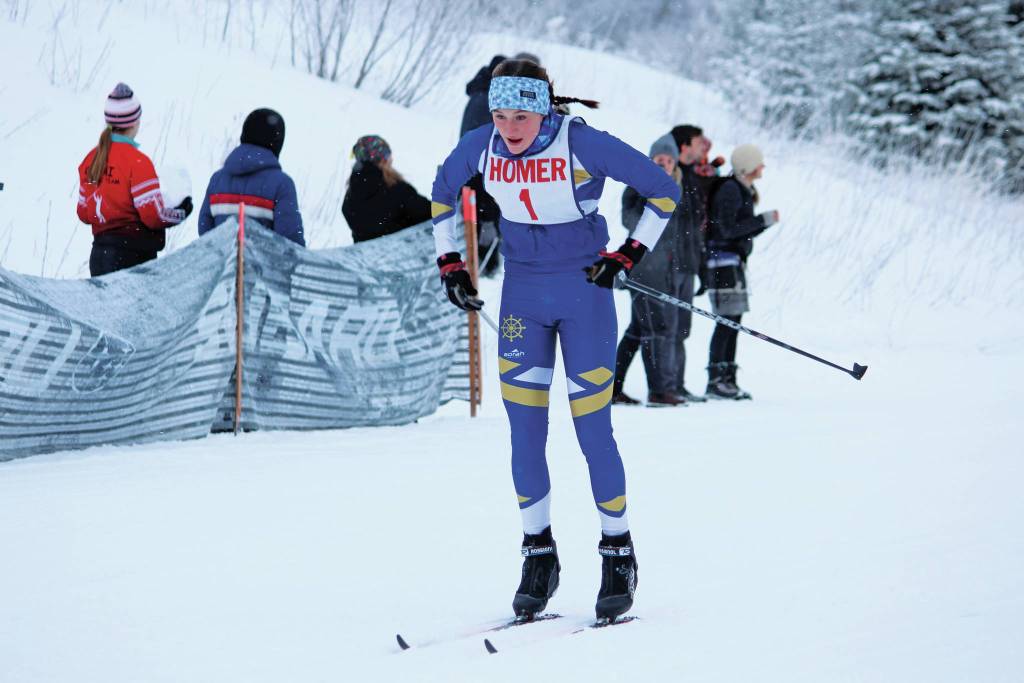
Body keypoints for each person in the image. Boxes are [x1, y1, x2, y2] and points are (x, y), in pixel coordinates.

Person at [431, 59, 680, 623]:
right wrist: (450, 262)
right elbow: (442, 194)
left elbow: (662, 192)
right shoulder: (481, 145)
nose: (509, 128)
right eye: (499, 115)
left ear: (543, 107)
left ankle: (617, 551)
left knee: (592, 430)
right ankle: (538, 554)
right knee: (524, 432)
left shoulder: (581, 143)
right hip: (522, 297)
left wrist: (627, 254)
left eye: (520, 115)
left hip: (584, 293)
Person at [77, 83, 192, 277]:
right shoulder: (137, 162)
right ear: (135, 122)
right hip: (132, 258)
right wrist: (181, 212)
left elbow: (84, 212)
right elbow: (153, 216)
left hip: (99, 257)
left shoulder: (90, 160)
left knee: (105, 308)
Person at [611, 134, 688, 407]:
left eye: (668, 160)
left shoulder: (676, 188)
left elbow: (677, 234)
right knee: (656, 329)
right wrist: (651, 196)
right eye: (659, 160)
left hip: (665, 271)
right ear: (650, 160)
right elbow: (629, 220)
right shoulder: (638, 186)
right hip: (644, 270)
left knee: (636, 330)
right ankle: (658, 390)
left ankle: (611, 387)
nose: (663, 164)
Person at [704, 144, 780, 400]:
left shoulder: (741, 189)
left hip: (730, 262)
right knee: (727, 322)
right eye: (759, 162)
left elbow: (734, 229)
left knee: (732, 322)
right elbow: (725, 230)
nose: (763, 167)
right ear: (747, 166)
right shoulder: (730, 189)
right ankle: (717, 380)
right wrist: (762, 221)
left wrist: (760, 223)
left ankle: (726, 379)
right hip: (722, 263)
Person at [197, 108, 304, 246]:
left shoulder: (217, 180)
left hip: (222, 266)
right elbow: (291, 240)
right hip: (265, 267)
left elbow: (205, 229)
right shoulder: (282, 184)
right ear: (277, 142)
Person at [666, 124, 711, 403]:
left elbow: (697, 227)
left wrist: (701, 265)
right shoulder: (672, 176)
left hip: (688, 264)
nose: (702, 146)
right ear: (684, 145)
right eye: (697, 142)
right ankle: (666, 386)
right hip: (671, 264)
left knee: (682, 328)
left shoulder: (693, 177)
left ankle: (677, 384)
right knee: (665, 327)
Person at [342, 135, 430, 243]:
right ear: (382, 160)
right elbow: (430, 213)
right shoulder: (397, 191)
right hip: (400, 257)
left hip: (365, 258)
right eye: (388, 155)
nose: (391, 159)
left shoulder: (351, 196)